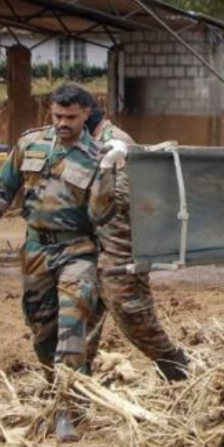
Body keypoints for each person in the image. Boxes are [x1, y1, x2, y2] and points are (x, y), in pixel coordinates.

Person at [0, 84, 124, 442]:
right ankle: (65, 389)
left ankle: (65, 409)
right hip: (36, 250)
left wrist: (109, 171)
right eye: (57, 116)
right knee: (42, 330)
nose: (63, 123)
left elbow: (102, 214)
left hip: (78, 251)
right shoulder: (30, 143)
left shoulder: (98, 156)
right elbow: (1, 187)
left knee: (72, 324)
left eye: (70, 117)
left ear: (86, 114)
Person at [83, 103, 190, 382]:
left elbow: (118, 205)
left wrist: (116, 258)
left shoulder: (114, 143)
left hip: (118, 253)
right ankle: (75, 388)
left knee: (134, 317)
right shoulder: (94, 142)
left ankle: (180, 371)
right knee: (82, 322)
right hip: (97, 252)